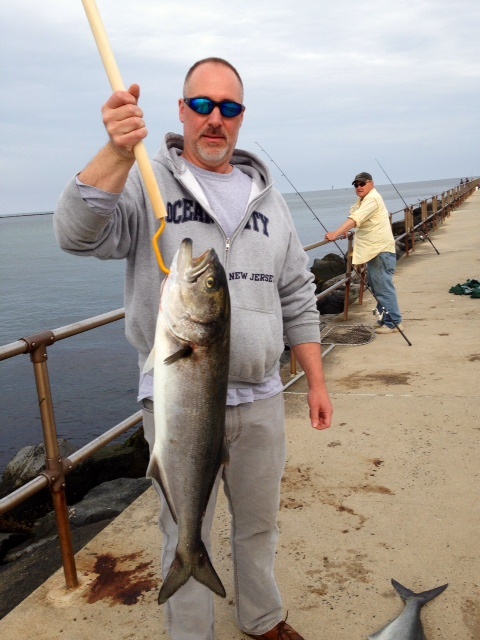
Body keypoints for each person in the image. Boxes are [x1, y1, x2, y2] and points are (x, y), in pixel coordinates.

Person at [54, 57, 333, 640]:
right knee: (183, 528)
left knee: (259, 524)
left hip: (261, 397)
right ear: (182, 111)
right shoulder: (145, 179)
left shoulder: (270, 200)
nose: (215, 119)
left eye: (228, 108)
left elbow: (297, 294)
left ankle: (262, 617)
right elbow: (77, 235)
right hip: (178, 403)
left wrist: (317, 381)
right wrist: (113, 150)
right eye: (202, 105)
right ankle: (191, 633)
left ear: (240, 118)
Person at [325, 172, 403, 334]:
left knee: (383, 287)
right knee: (377, 286)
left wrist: (335, 233)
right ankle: (385, 319)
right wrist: (344, 232)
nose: (359, 187)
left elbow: (355, 219)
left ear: (371, 184)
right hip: (374, 250)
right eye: (356, 185)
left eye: (362, 184)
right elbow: (355, 217)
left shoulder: (372, 199)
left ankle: (394, 322)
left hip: (379, 250)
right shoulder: (363, 200)